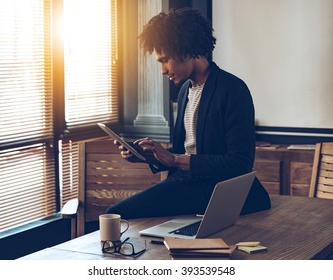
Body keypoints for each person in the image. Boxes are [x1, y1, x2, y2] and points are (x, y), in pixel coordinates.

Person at [106, 8, 271, 219]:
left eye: (165, 60)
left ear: (186, 50)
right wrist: (148, 156)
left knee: (115, 214)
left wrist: (174, 160)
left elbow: (239, 163)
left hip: (216, 189)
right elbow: (187, 150)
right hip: (186, 182)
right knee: (117, 215)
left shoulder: (233, 89)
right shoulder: (185, 90)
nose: (162, 70)